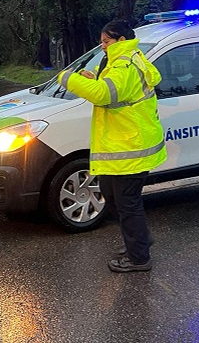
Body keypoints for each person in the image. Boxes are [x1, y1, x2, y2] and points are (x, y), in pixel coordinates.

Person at [58, 20, 166, 272]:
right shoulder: (121, 61)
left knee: (127, 203)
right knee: (111, 195)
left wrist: (68, 79)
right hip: (123, 146)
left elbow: (104, 94)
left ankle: (139, 258)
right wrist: (94, 77)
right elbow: (114, 89)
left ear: (120, 41)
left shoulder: (125, 64)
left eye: (106, 41)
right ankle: (139, 240)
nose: (102, 45)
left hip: (131, 148)